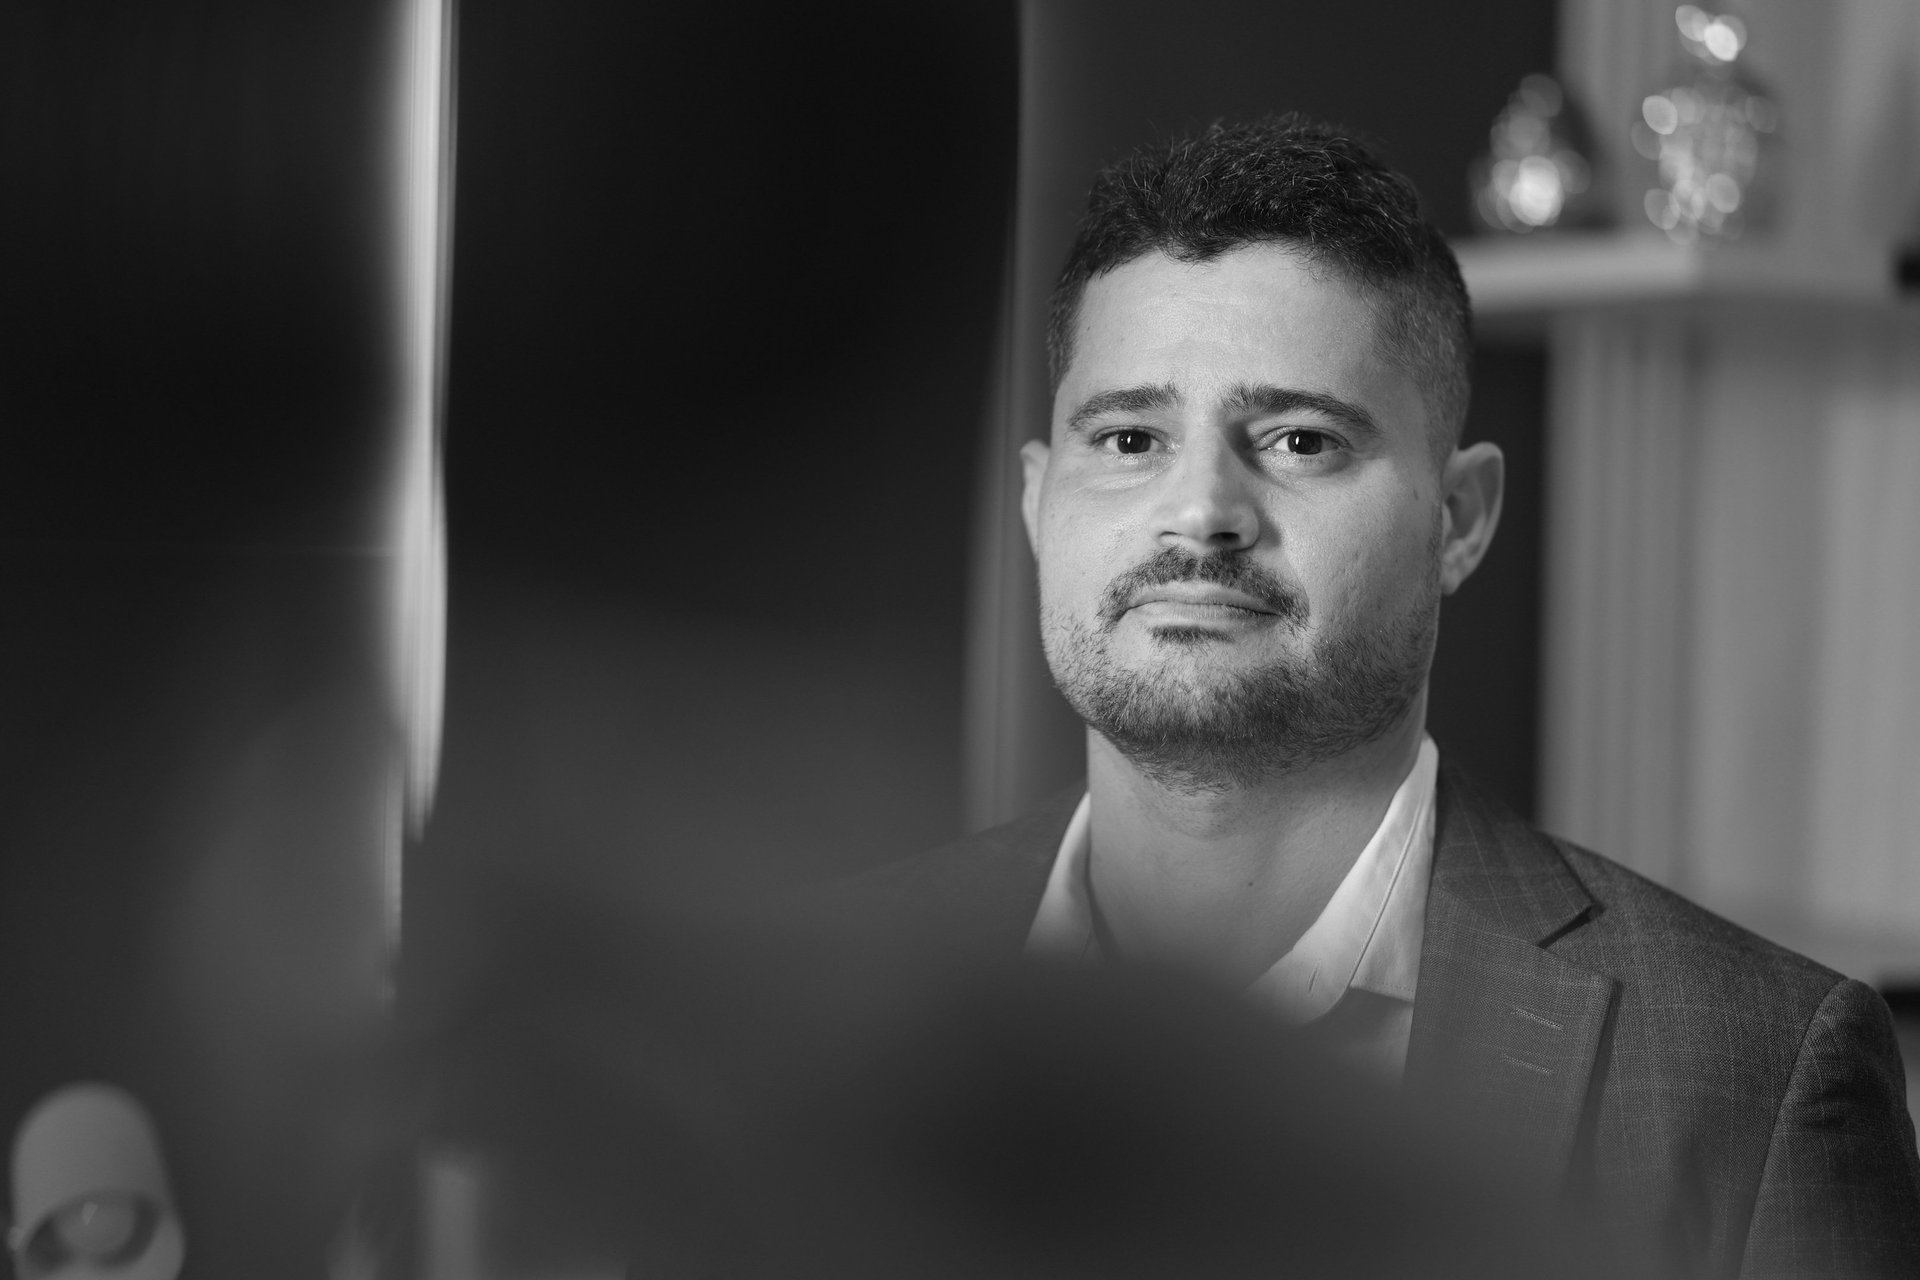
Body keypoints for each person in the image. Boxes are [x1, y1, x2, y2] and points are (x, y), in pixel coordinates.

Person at [837, 115, 1920, 1277]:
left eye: (1300, 438)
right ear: (1038, 501)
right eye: (1131, 434)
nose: (1200, 509)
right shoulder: (814, 1001)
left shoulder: (1755, 1072)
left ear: (1459, 518)